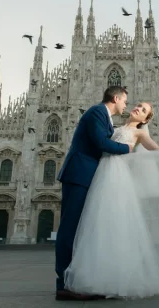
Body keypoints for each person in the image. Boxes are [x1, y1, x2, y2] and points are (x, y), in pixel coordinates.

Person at [63, 101, 159, 299]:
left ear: (145, 120)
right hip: (101, 176)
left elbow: (156, 150)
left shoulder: (140, 133)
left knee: (117, 226)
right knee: (98, 226)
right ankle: (99, 278)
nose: (138, 108)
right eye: (138, 105)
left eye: (144, 110)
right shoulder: (113, 127)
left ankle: (115, 279)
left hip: (117, 179)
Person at [55, 86, 134, 301]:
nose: (126, 104)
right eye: (125, 100)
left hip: (87, 176)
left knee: (80, 230)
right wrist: (128, 149)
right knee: (69, 230)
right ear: (116, 98)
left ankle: (76, 280)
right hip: (79, 174)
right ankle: (63, 284)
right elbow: (101, 143)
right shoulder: (97, 112)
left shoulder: (104, 117)